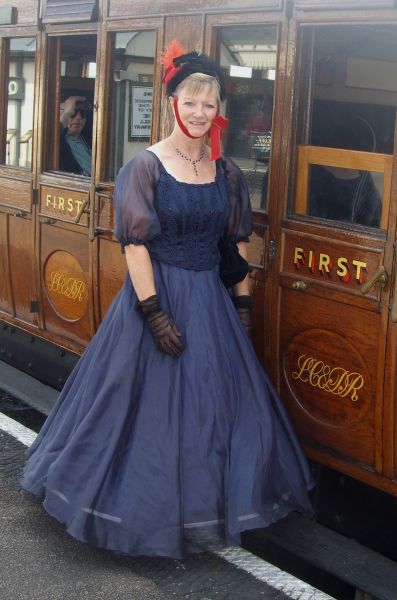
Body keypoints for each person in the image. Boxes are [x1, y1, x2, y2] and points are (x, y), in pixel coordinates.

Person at [21, 41, 314, 559]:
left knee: (213, 409)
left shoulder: (226, 173)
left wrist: (242, 306)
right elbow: (135, 244)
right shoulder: (146, 166)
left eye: (210, 103)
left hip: (211, 299)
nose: (200, 112)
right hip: (155, 297)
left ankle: (201, 508)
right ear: (172, 104)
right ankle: (139, 508)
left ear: (218, 110)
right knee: (143, 412)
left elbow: (234, 247)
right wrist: (154, 313)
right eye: (191, 101)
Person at [59, 95, 92, 176]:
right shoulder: (57, 143)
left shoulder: (89, 139)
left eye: (82, 113)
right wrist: (65, 114)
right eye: (72, 113)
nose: (78, 117)